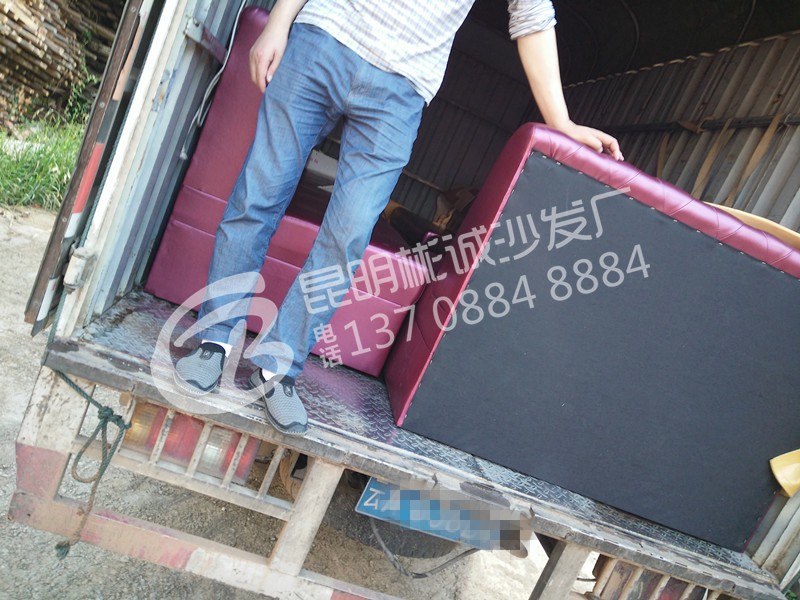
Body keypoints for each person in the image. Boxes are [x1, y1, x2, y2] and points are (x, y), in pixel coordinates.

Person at [175, 0, 623, 436]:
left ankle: (278, 367)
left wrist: (561, 123)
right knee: (257, 196)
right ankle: (215, 339)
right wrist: (279, 20)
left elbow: (532, 15)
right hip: (324, 38)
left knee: (347, 236)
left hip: (401, 91)